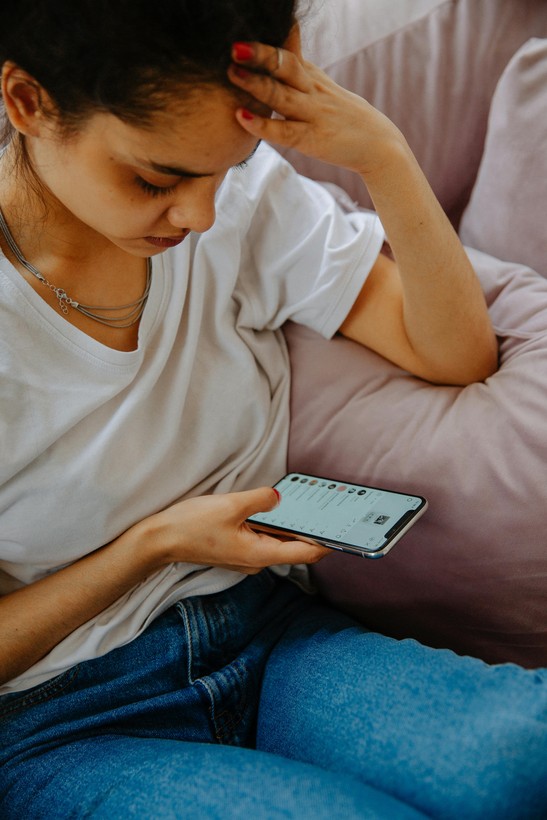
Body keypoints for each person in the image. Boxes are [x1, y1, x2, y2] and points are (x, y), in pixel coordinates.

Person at [0, 1, 545, 817]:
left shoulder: (244, 204)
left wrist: (384, 159)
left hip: (268, 633)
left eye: (227, 166)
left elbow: (453, 352)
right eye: (157, 178)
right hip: (67, 716)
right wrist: (153, 543)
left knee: (525, 757)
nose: (200, 216)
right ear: (27, 103)